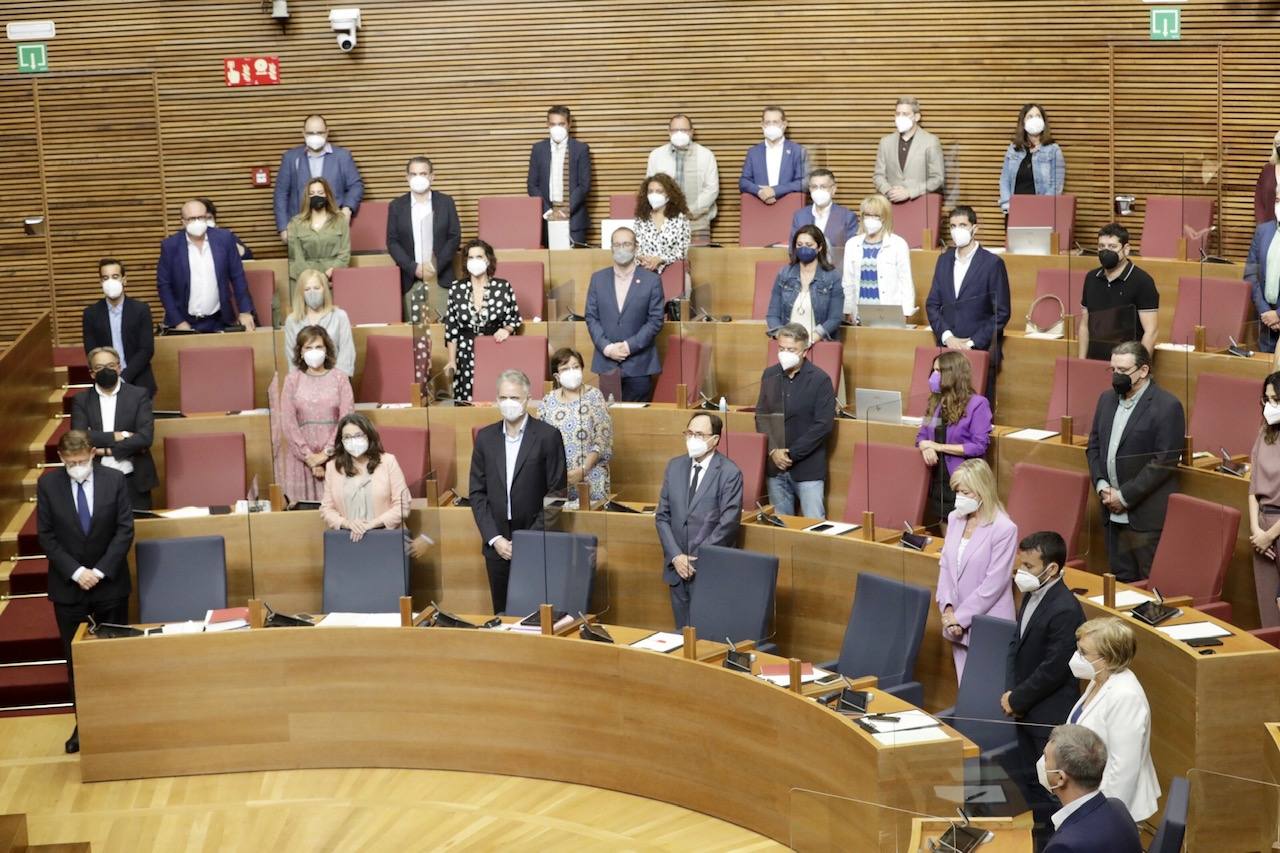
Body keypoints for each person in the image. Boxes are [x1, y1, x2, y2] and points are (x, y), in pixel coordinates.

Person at [36, 429, 134, 754]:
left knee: (117, 658)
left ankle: (120, 721)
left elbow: (124, 529)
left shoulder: (114, 480)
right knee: (76, 661)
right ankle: (85, 723)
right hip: (69, 588)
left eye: (82, 460)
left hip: (110, 585)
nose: (77, 466)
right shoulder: (48, 485)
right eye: (71, 462)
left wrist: (100, 570)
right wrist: (77, 572)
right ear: (62, 459)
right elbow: (46, 536)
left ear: (92, 453)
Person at [1002, 531, 1086, 849]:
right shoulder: (1031, 593)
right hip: (1024, 709)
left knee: (1050, 797)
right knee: (1032, 789)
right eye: (1019, 563)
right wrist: (1012, 693)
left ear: (1050, 569)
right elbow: (1016, 643)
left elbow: (1054, 668)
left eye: (1027, 565)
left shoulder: (1065, 608)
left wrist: (1018, 698)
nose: (1019, 571)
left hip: (1047, 716)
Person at [469, 370, 568, 613]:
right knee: (502, 614)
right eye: (503, 397)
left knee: (536, 614)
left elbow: (557, 494)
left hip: (536, 540)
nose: (508, 403)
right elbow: (477, 493)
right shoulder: (485, 438)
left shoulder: (548, 436)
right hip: (497, 544)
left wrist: (528, 540)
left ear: (527, 398)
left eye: (514, 397)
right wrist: (495, 538)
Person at [1085, 341, 1184, 582]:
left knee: (1150, 585)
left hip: (1145, 516)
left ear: (1143, 371)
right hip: (1110, 511)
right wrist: (1101, 486)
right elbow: (1094, 447)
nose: (1116, 376)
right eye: (1113, 370)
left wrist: (1125, 496)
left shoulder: (1167, 406)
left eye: (1123, 371)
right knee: (1120, 583)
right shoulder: (1106, 400)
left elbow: (1164, 461)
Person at [1046, 617, 1161, 824]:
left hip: (1113, 808)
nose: (1076, 657)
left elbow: (1123, 769)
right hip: (1088, 798)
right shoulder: (1098, 681)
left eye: (1083, 653)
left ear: (1107, 659)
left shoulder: (1125, 696)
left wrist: (1101, 817)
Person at [655, 413, 744, 628]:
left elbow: (728, 523)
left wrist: (694, 559)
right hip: (676, 568)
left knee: (707, 638)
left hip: (708, 569)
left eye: (699, 434)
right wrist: (676, 556)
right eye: (689, 433)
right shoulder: (674, 466)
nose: (692, 439)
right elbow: (662, 516)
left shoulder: (730, 473)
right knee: (681, 633)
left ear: (715, 440)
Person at [935, 458, 1017, 682]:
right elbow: (945, 567)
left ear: (983, 491)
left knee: (985, 691)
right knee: (964, 688)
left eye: (966, 493)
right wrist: (948, 607)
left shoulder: (1004, 528)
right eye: (957, 492)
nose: (959, 498)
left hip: (988, 624)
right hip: (955, 624)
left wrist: (959, 618)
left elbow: (995, 584)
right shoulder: (955, 519)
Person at [924, 206, 1012, 401]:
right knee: (944, 412)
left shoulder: (992, 263)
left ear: (975, 228)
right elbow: (932, 304)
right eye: (953, 226)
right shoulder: (943, 260)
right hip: (947, 352)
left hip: (979, 351)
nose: (957, 230)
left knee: (977, 414)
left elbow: (1001, 313)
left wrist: (971, 343)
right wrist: (948, 337)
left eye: (963, 225)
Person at [754, 323, 835, 518]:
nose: (785, 353)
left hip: (807, 469)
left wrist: (790, 454)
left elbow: (822, 426)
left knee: (815, 525)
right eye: (781, 348)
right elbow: (762, 415)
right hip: (775, 468)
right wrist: (774, 450)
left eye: (791, 349)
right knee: (780, 526)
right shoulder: (770, 374)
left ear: (805, 350)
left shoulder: (820, 379)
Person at [70, 347, 157, 510]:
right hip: (96, 479)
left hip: (133, 478)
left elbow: (145, 438)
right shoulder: (81, 400)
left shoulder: (138, 395)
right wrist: (121, 435)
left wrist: (106, 450)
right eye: (99, 368)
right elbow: (78, 438)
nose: (106, 370)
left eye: (110, 366)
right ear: (92, 373)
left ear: (119, 367)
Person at [584, 226, 665, 402]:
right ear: (611, 248)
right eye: (617, 244)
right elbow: (591, 317)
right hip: (607, 363)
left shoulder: (652, 281)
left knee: (637, 423)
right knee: (608, 422)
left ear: (635, 247)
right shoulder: (597, 279)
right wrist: (608, 348)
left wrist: (629, 346)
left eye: (626, 244)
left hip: (639, 365)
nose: (621, 248)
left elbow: (655, 321)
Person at [155, 199, 257, 332]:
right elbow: (164, 285)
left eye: (201, 217)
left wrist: (245, 311)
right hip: (185, 322)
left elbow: (237, 277)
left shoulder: (225, 239)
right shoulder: (170, 246)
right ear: (183, 221)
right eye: (192, 218)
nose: (197, 221)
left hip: (219, 320)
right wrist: (178, 321)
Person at [280, 326, 354, 506]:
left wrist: (326, 453)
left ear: (327, 349)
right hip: (301, 461)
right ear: (300, 352)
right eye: (308, 348)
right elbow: (288, 423)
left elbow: (347, 418)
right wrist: (310, 458)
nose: (314, 352)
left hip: (335, 458)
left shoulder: (340, 379)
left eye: (319, 347)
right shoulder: (291, 381)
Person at [915, 351, 992, 523]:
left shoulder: (977, 404)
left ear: (953, 374)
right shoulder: (934, 402)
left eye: (939, 371)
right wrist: (925, 446)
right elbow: (921, 436)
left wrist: (938, 446)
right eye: (933, 370)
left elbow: (978, 446)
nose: (934, 376)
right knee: (945, 528)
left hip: (964, 480)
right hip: (938, 479)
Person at [1040, 725, 1143, 853]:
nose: (1041, 764)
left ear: (1060, 778)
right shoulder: (1118, 807)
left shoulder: (1064, 846)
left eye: (1045, 758)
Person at [442, 239, 522, 402]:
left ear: (488, 260)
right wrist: (452, 361)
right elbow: (451, 330)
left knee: (494, 397)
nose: (474, 261)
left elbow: (513, 318)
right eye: (470, 258)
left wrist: (506, 330)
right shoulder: (456, 288)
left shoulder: (503, 287)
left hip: (494, 348)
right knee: (467, 401)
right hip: (464, 353)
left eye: (479, 256)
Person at [386, 156, 462, 324]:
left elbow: (454, 236)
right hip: (410, 280)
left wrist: (434, 266)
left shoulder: (446, 202)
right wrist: (413, 268)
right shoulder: (396, 206)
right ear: (407, 177)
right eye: (413, 174)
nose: (418, 178)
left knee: (446, 333)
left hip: (441, 279)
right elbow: (392, 241)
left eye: (423, 173)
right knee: (416, 337)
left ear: (431, 177)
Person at [539, 348, 612, 508]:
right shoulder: (547, 401)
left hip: (590, 475)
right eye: (565, 369)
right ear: (557, 376)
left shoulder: (594, 396)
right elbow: (539, 440)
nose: (571, 371)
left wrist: (583, 470)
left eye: (575, 367)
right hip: (556, 480)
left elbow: (602, 439)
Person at [273, 114, 363, 240]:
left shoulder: (342, 156)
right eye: (310, 133)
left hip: (334, 228)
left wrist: (347, 209)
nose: (315, 136)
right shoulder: (291, 158)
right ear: (303, 133)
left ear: (327, 132)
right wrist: (283, 228)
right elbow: (281, 194)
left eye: (320, 132)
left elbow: (356, 186)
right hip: (300, 230)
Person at [320, 413, 408, 541]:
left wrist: (372, 524)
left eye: (358, 435)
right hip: (348, 538)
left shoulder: (388, 461)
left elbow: (402, 506)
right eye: (347, 437)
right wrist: (347, 524)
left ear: (368, 436)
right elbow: (327, 509)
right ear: (341, 441)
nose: (353, 440)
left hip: (386, 537)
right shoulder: (332, 467)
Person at [1078, 224, 1158, 361]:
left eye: (1112, 247)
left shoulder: (1142, 281)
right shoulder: (1091, 278)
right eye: (1101, 246)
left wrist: (1137, 369)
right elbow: (1085, 325)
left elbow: (1151, 331)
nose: (1105, 251)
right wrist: (1081, 361)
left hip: (1126, 365)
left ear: (1126, 250)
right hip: (1095, 360)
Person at [81, 258, 156, 398]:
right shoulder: (91, 314)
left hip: (138, 379)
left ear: (124, 280)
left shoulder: (141, 310)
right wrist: (110, 376)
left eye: (115, 277)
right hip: (105, 382)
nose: (110, 281)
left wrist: (124, 377)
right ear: (101, 283)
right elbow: (92, 352)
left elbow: (146, 349)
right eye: (105, 278)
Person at [841, 194, 915, 323]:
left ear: (885, 218)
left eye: (876, 216)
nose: (871, 219)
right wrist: (847, 310)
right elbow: (848, 281)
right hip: (859, 312)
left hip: (889, 311)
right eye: (867, 215)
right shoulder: (852, 244)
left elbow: (906, 282)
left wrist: (906, 312)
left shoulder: (898, 244)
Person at [646, 113, 719, 241]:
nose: (679, 133)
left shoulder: (706, 155)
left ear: (692, 132)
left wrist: (691, 211)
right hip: (664, 222)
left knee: (700, 260)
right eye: (675, 130)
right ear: (669, 132)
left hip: (698, 223)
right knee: (665, 260)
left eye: (684, 130)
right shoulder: (656, 156)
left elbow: (712, 189)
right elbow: (650, 188)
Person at [527, 105, 592, 247]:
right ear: (547, 125)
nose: (557, 128)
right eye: (553, 124)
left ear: (569, 124)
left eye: (561, 124)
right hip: (546, 219)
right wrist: (549, 212)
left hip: (574, 220)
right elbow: (532, 185)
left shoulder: (581, 149)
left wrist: (565, 210)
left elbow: (584, 185)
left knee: (576, 265)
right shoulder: (538, 149)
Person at [765, 225, 844, 341]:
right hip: (788, 345)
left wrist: (811, 340)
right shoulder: (784, 274)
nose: (803, 249)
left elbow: (835, 318)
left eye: (809, 245)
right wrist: (784, 338)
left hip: (818, 343)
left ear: (820, 247)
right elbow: (772, 315)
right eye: (799, 245)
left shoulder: (833, 276)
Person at [284, 269, 356, 377]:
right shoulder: (292, 320)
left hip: (336, 379)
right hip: (304, 381)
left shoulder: (340, 316)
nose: (312, 292)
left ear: (324, 290)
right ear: (301, 294)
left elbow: (347, 353)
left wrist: (335, 380)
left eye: (316, 288)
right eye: (307, 289)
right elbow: (292, 358)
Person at [1250, 372, 1280, 629]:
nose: (1271, 405)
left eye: (1277, 400)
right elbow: (1252, 486)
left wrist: (1270, 535)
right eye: (1267, 399)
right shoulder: (1264, 432)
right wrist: (1256, 529)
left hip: (1276, 529)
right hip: (1262, 526)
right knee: (1268, 612)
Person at [873, 96, 944, 203]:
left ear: (917, 117)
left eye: (905, 114)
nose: (900, 117)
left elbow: (937, 178)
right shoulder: (885, 142)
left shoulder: (931, 141)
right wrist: (888, 191)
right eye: (898, 114)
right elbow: (878, 175)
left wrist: (910, 192)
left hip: (920, 204)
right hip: (890, 204)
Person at [287, 176, 351, 295]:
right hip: (305, 283)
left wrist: (326, 276)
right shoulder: (296, 223)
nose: (316, 196)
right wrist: (313, 280)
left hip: (334, 280)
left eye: (320, 192)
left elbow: (344, 255)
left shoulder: (340, 220)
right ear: (307, 197)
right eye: (312, 193)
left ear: (327, 195)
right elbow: (296, 257)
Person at [998, 104, 1066, 214]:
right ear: (1023, 122)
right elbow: (1004, 180)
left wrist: (1041, 207)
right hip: (1015, 211)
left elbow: (1056, 186)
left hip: (1041, 212)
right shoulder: (1013, 149)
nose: (1034, 119)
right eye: (1030, 116)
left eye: (1038, 116)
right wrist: (1007, 205)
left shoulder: (1054, 150)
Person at [739, 105, 808, 204]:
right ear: (762, 125)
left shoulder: (797, 151)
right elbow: (743, 182)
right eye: (768, 122)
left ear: (784, 124)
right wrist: (760, 192)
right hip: (759, 207)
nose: (771, 126)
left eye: (775, 122)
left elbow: (803, 183)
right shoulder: (753, 152)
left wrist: (775, 190)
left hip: (789, 207)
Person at [633, 173, 692, 275]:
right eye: (650, 191)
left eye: (659, 191)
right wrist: (642, 257)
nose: (654, 195)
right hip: (644, 270)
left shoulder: (680, 219)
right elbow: (634, 247)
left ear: (669, 194)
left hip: (673, 271)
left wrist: (661, 259)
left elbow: (682, 250)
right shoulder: (641, 219)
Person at [790, 168, 857, 249]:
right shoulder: (800, 216)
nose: (818, 191)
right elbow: (792, 249)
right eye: (814, 187)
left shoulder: (848, 217)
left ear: (833, 189)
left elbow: (852, 250)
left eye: (823, 187)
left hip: (835, 261)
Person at [1245, 202, 1280, 353]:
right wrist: (1265, 311)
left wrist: (1278, 314)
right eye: (1278, 199)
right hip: (1266, 323)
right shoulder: (1263, 230)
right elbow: (1250, 273)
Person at [1254, 129, 1280, 225]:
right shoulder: (1268, 170)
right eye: (1278, 144)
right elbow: (1259, 198)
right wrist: (1262, 223)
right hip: (1269, 227)